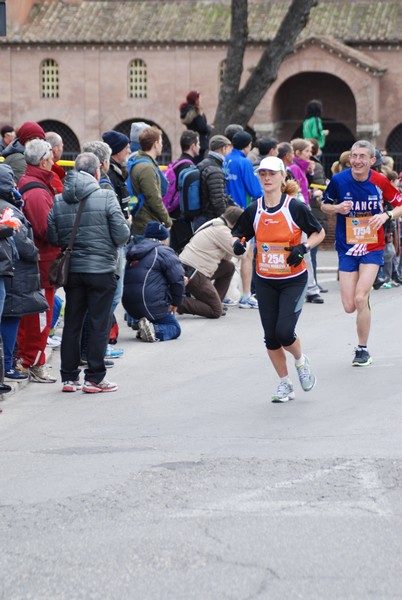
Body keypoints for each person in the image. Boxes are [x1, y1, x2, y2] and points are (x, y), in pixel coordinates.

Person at [231, 156, 325, 403]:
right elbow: (240, 234)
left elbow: (319, 232)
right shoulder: (254, 209)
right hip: (265, 279)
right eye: (262, 174)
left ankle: (300, 361)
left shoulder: (294, 207)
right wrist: (239, 244)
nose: (267, 178)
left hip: (293, 278)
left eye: (272, 173)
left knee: (285, 332)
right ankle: (285, 384)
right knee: (271, 337)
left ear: (283, 176)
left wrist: (303, 248)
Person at [47, 152, 130, 393]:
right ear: (97, 172)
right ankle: (94, 377)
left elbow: (53, 236)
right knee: (97, 322)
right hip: (101, 269)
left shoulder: (59, 199)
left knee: (72, 322)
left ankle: (69, 378)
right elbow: (122, 235)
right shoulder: (106, 196)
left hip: (72, 271)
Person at [321, 140, 402, 366]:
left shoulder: (380, 181)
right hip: (347, 247)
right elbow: (325, 205)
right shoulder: (338, 180)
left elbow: (400, 204)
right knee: (349, 306)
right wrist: (337, 208)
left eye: (362, 157)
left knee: (359, 298)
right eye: (354, 156)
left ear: (372, 161)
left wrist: (386, 216)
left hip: (372, 247)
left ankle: (362, 349)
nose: (356, 161)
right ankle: (363, 303)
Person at [16, 139, 59, 383]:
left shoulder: (30, 184)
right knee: (40, 318)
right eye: (51, 157)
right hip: (42, 264)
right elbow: (46, 230)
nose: (54, 160)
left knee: (33, 317)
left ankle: (28, 359)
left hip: (39, 263)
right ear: (43, 161)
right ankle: (34, 363)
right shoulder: (38, 192)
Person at [0, 164, 48, 382]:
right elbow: (21, 241)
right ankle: (8, 366)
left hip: (12, 269)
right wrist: (35, 250)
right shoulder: (7, 207)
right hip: (14, 270)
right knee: (11, 317)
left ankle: (8, 364)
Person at [122, 222, 185, 342]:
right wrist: (175, 303)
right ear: (164, 238)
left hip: (129, 306)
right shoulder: (163, 251)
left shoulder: (134, 250)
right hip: (149, 305)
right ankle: (152, 330)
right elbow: (178, 280)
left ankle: (139, 321)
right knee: (173, 328)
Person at [178, 206, 243, 319]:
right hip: (195, 273)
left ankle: (216, 300)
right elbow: (241, 253)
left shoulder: (215, 222)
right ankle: (176, 302)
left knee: (228, 267)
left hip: (189, 268)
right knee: (215, 311)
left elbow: (227, 258)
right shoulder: (222, 231)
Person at [225, 130, 263, 309]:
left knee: (227, 253)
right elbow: (256, 191)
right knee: (247, 254)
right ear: (248, 146)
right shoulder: (244, 162)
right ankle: (246, 295)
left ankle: (225, 293)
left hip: (226, 212)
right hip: (243, 212)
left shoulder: (225, 159)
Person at [129, 126, 172, 240]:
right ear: (155, 144)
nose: (162, 145)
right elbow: (154, 199)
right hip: (146, 226)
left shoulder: (141, 163)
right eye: (161, 142)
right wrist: (167, 221)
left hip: (143, 223)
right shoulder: (146, 168)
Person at [168, 130, 200, 253]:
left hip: (173, 214)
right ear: (192, 146)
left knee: (174, 250)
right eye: (198, 144)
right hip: (183, 216)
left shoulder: (176, 163)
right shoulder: (189, 167)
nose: (199, 147)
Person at [195, 134, 232, 228]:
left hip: (200, 216)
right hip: (209, 219)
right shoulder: (215, 170)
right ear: (223, 149)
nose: (228, 152)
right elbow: (218, 201)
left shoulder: (203, 164)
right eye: (228, 149)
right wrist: (227, 220)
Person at [179, 90, 212, 163]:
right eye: (199, 98)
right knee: (199, 162)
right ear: (195, 99)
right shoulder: (196, 111)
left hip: (191, 139)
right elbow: (202, 127)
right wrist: (209, 128)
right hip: (200, 142)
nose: (201, 100)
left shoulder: (186, 111)